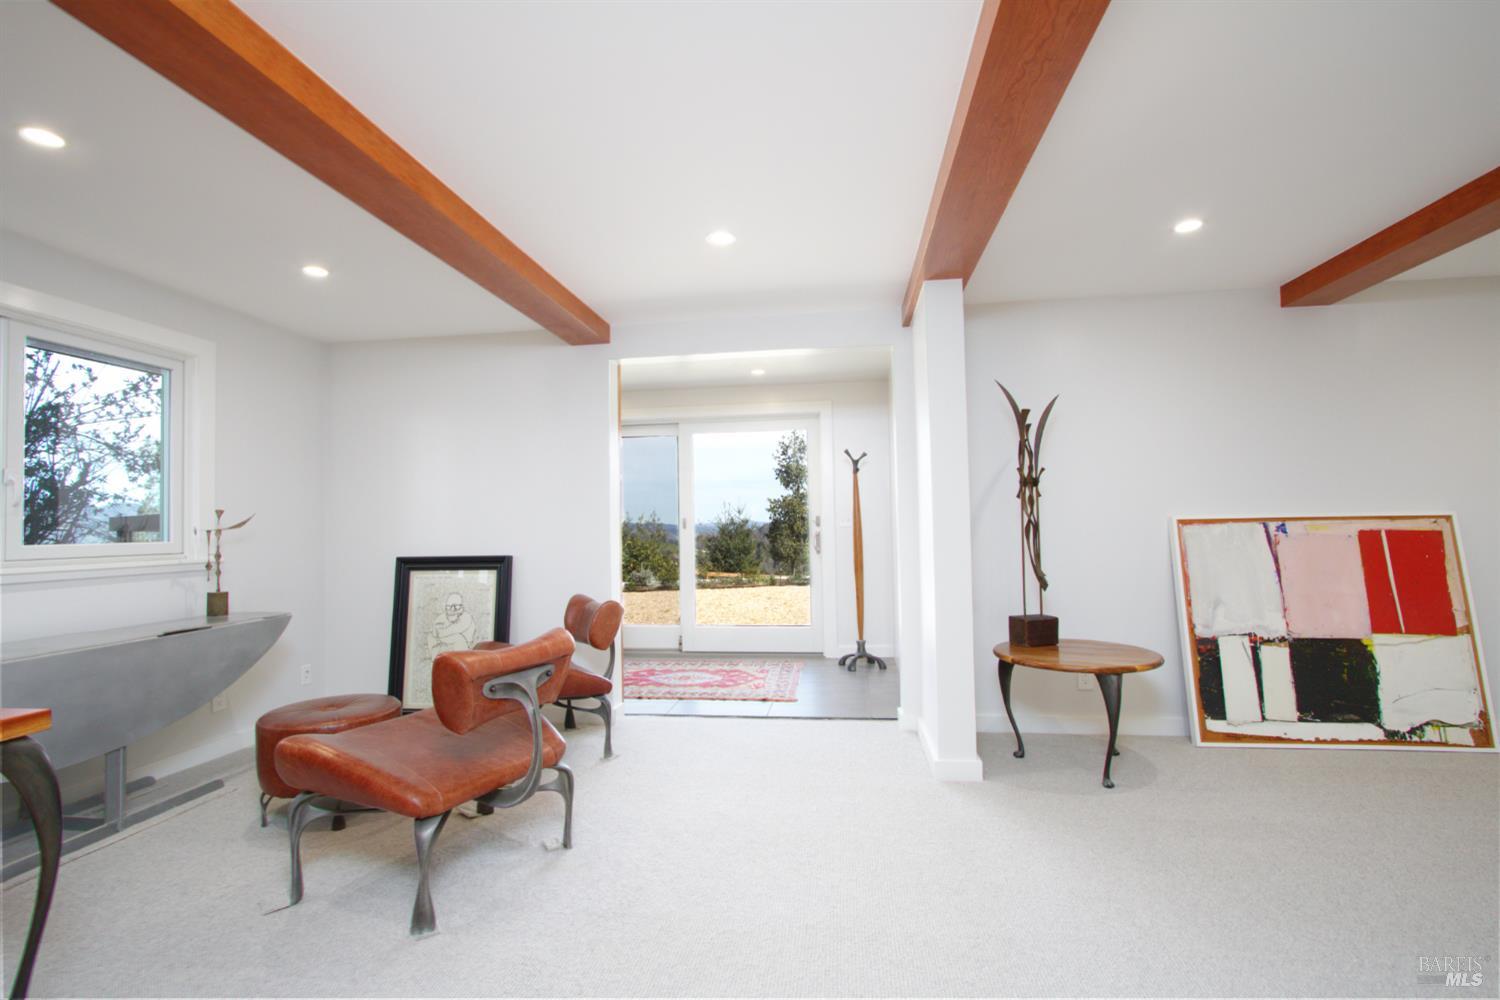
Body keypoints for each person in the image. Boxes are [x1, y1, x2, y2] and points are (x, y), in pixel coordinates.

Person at [427, 591, 477, 660]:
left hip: (461, 654)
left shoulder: (467, 618)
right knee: (430, 637)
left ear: (461, 607)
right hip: (443, 651)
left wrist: (441, 634)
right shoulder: (440, 619)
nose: (452, 609)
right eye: (448, 607)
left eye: (455, 606)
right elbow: (434, 634)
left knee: (459, 639)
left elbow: (451, 632)